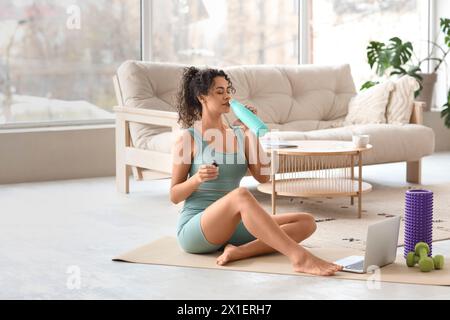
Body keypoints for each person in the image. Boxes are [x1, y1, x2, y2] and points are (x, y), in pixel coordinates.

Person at [170, 66, 342, 276]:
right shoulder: (187, 139)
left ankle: (239, 252)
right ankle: (299, 257)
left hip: (233, 226)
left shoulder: (239, 134)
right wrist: (196, 179)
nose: (227, 96)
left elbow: (263, 176)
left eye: (228, 90)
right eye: (219, 91)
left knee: (306, 222)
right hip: (197, 228)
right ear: (202, 97)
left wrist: (251, 132)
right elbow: (174, 195)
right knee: (241, 195)